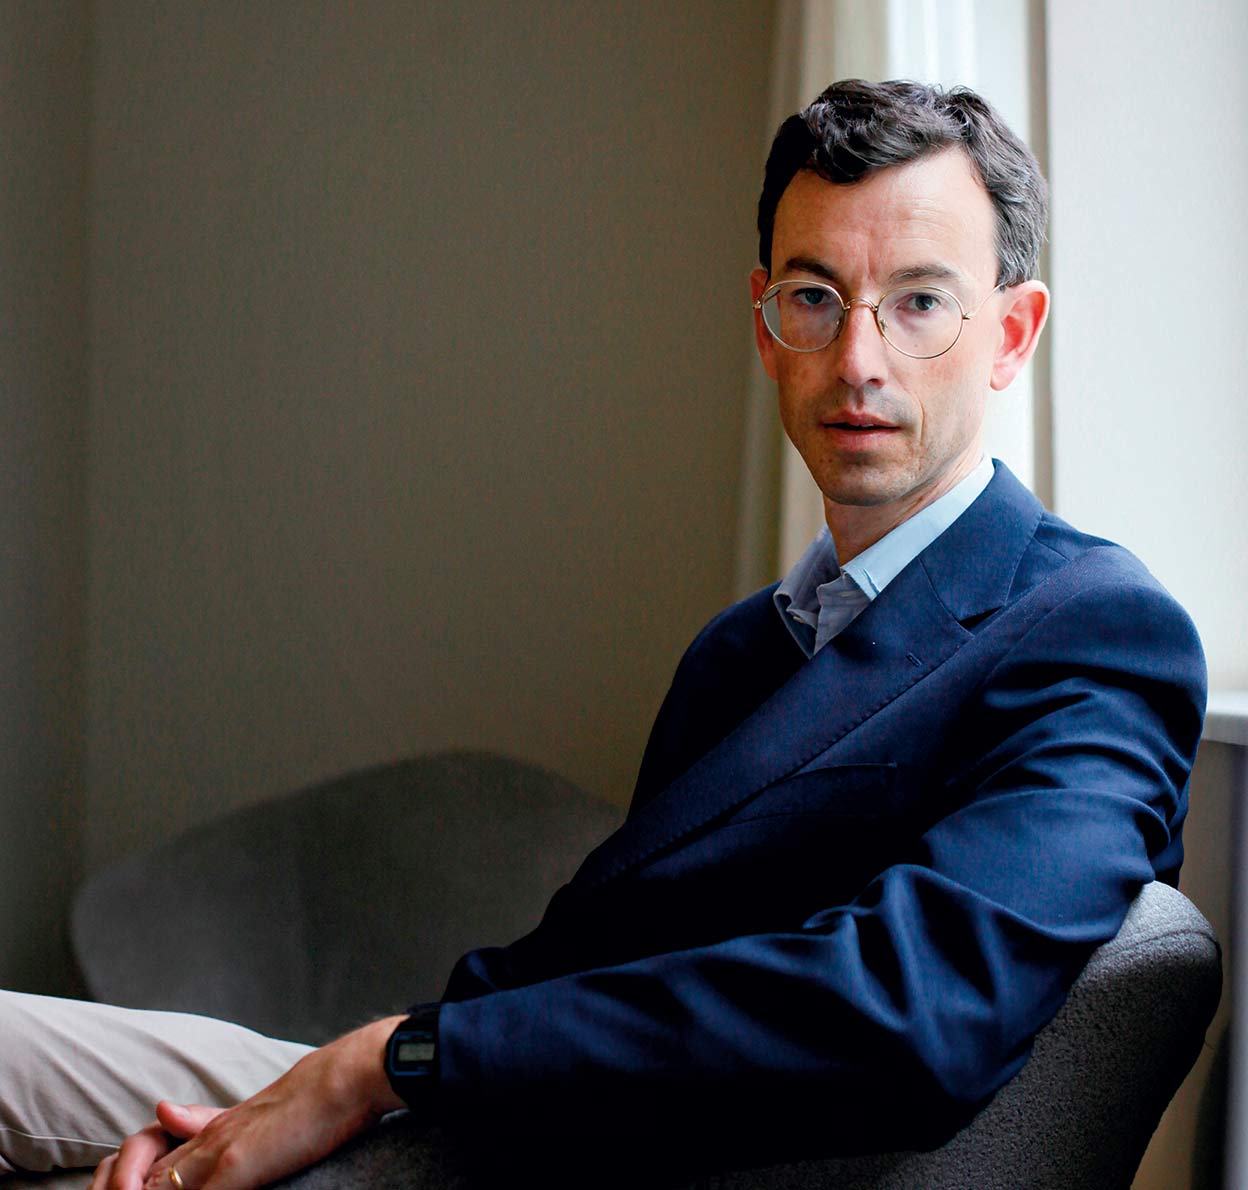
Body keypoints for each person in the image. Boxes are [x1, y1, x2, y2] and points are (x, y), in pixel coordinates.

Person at [1, 79, 1205, 1190]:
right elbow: (583, 959)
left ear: (1012, 334)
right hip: (503, 1100)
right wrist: (356, 1066)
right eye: (813, 298)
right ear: (764, 324)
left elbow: (915, 1012)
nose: (857, 359)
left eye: (920, 303)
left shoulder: (1097, 629)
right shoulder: (740, 650)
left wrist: (391, 1061)